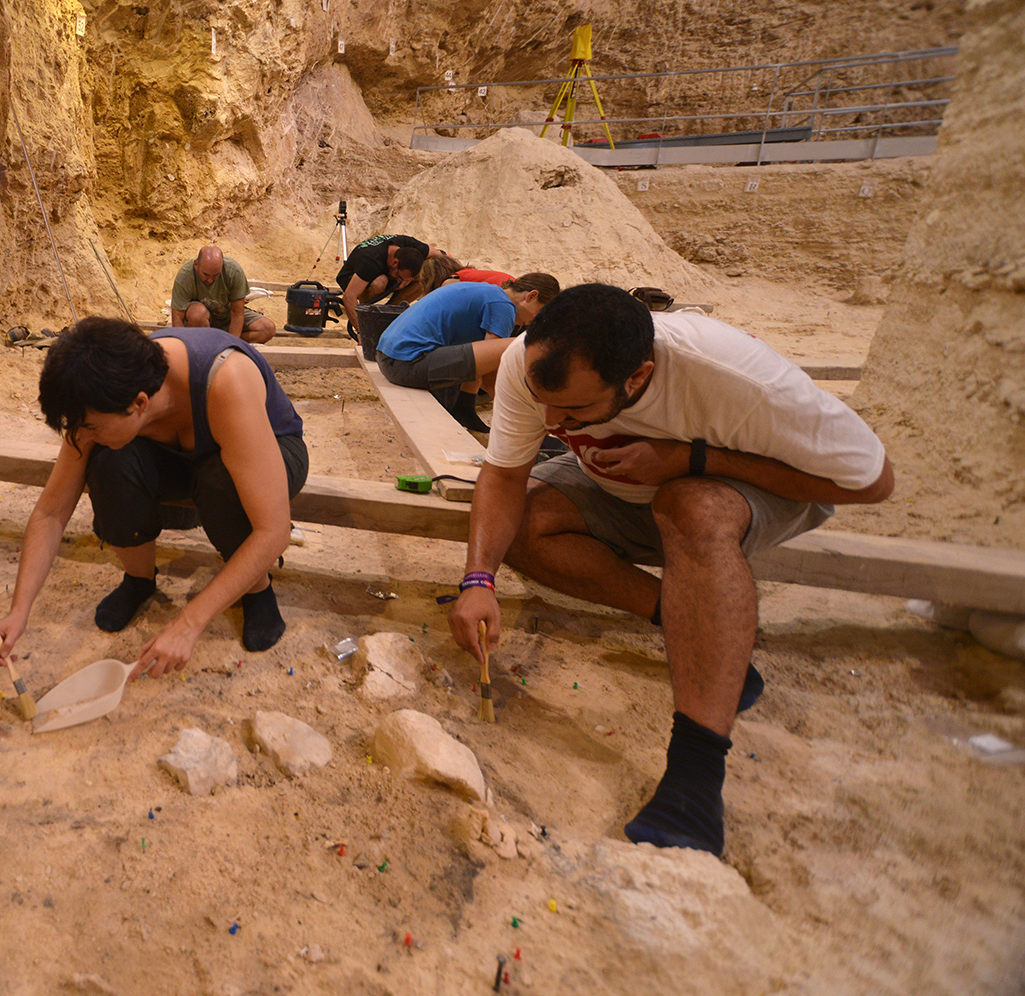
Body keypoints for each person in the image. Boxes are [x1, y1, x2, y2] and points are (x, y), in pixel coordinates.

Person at [449, 284, 893, 856]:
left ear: (636, 377)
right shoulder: (527, 362)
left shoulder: (735, 378)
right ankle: (695, 630)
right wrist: (477, 580)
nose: (552, 419)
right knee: (524, 525)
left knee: (688, 507)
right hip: (628, 487)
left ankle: (695, 778)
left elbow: (872, 481)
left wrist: (691, 458)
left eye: (574, 410)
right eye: (544, 399)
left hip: (749, 485)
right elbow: (504, 477)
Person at [0, 318, 307, 679]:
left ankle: (257, 588)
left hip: (270, 450)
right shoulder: (100, 397)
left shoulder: (225, 379)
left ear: (140, 403)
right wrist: (19, 610)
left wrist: (188, 623)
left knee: (220, 481)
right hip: (178, 455)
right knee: (109, 464)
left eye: (91, 427)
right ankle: (139, 579)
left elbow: (273, 531)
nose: (84, 435)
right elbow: (51, 512)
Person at [374, 274, 560, 430]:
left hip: (388, 357)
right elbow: (491, 375)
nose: (532, 321)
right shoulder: (503, 306)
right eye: (539, 314)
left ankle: (464, 409)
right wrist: (521, 420)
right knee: (518, 344)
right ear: (531, 296)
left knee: (481, 350)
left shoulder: (488, 293)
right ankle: (513, 425)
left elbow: (481, 359)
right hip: (407, 363)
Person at [170, 245, 275, 345]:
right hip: (200, 320)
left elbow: (237, 312)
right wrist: (181, 345)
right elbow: (178, 317)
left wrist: (231, 344)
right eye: (205, 274)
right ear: (196, 265)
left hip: (226, 314)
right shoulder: (185, 275)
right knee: (197, 314)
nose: (210, 280)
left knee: (267, 328)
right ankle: (206, 344)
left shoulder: (234, 271)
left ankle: (220, 343)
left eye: (216, 275)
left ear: (222, 264)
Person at [334, 234, 430, 337]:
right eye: (399, 277)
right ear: (395, 263)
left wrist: (407, 278)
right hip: (353, 278)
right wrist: (362, 331)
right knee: (380, 282)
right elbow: (349, 297)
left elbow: (439, 256)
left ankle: (389, 313)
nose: (399, 281)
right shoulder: (370, 260)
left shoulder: (410, 244)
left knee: (426, 276)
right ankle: (367, 317)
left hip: (385, 272)